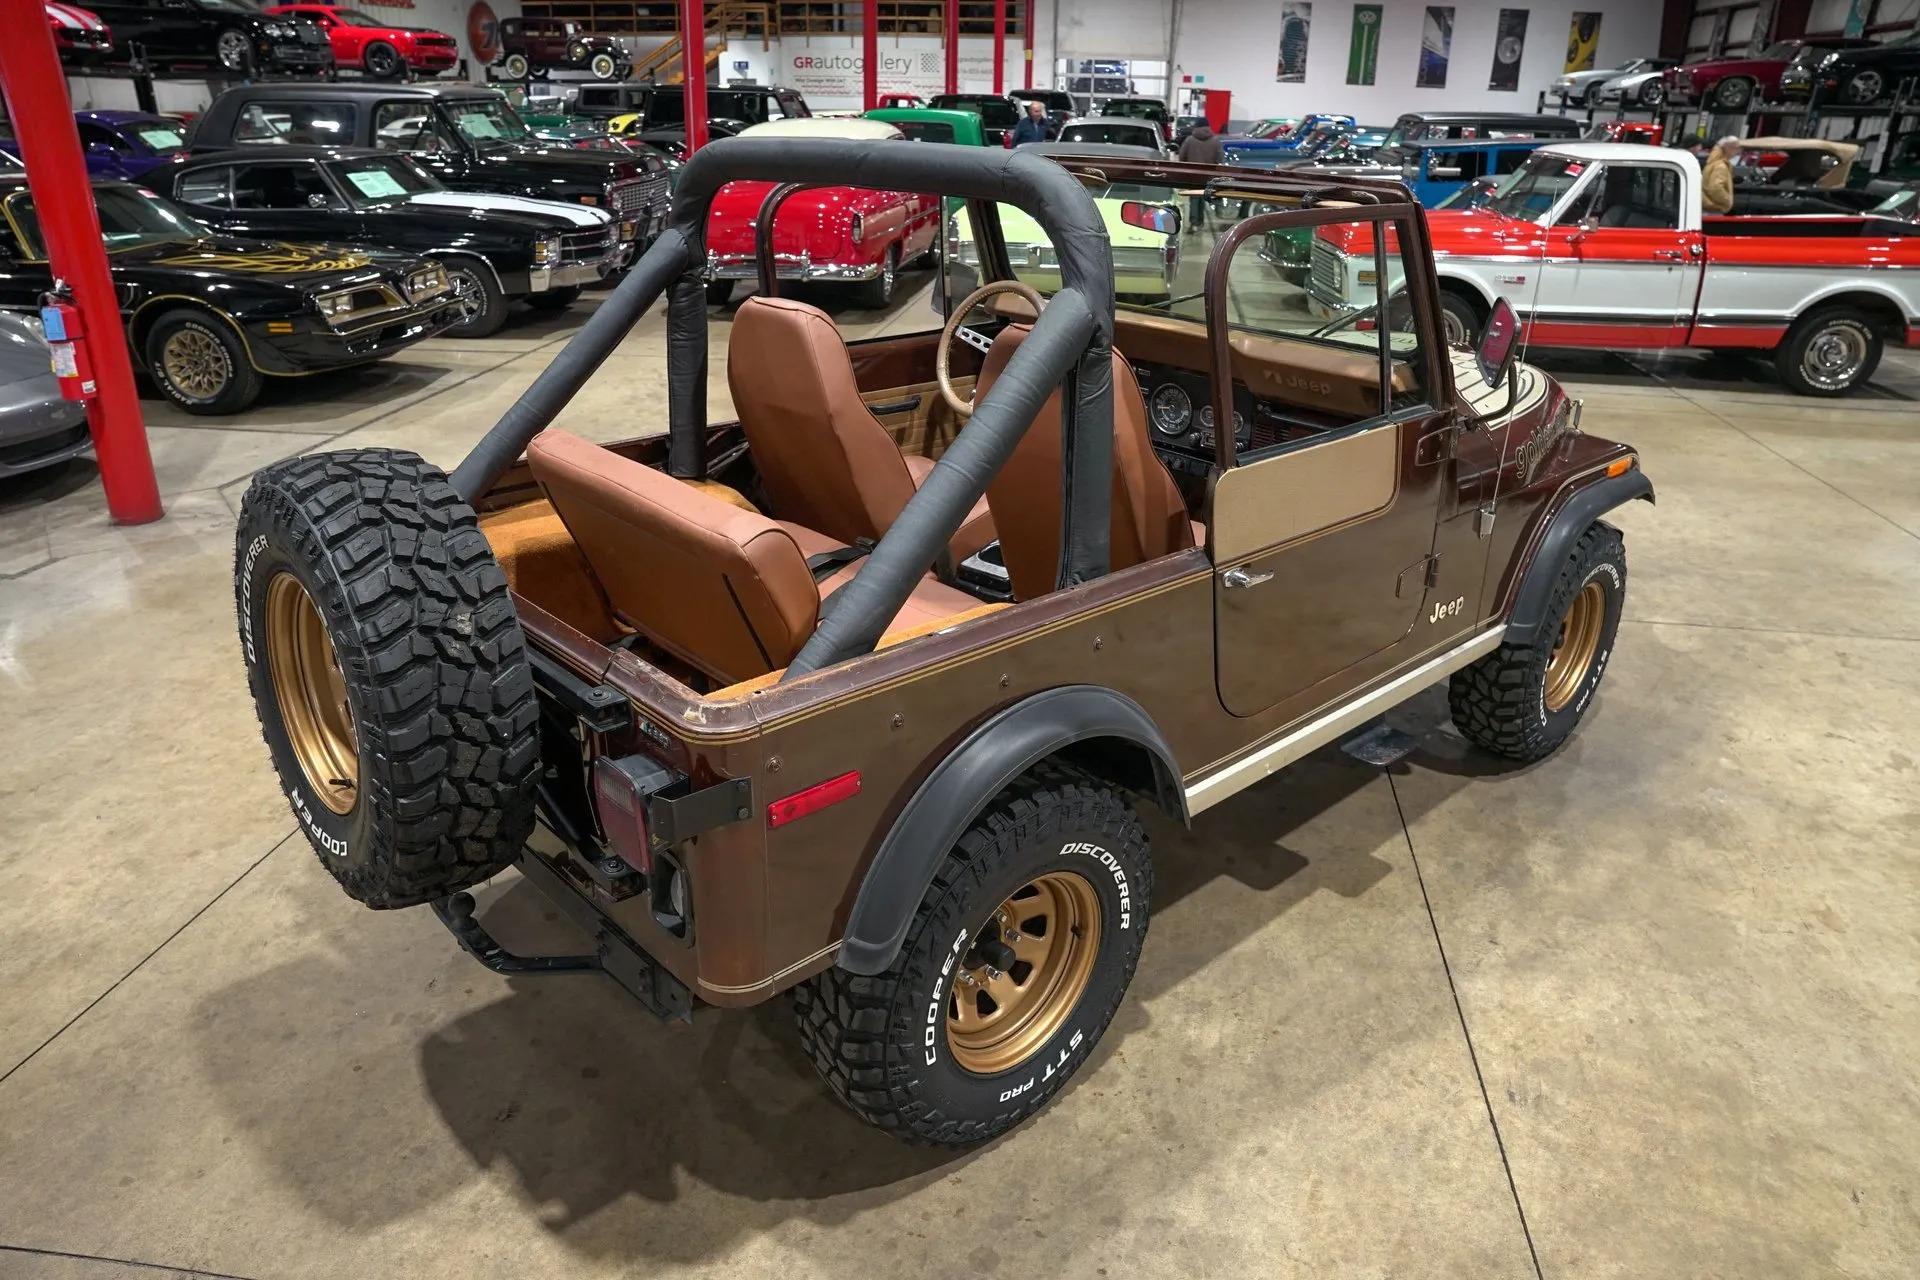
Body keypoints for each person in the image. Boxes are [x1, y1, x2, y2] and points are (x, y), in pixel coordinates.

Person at [1177, 121, 1226, 229]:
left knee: (1194, 198)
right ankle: (1200, 222)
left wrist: (1186, 167)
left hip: (1193, 175)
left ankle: (1194, 223)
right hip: (1209, 175)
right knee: (1204, 197)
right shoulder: (1215, 141)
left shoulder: (1190, 140)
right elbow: (1220, 159)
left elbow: (1182, 156)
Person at [1701, 135, 1740, 215]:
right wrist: (1727, 201)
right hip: (1713, 209)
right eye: (1736, 148)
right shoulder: (1721, 166)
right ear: (1729, 148)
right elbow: (1716, 188)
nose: (1737, 151)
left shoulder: (1713, 162)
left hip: (1707, 207)